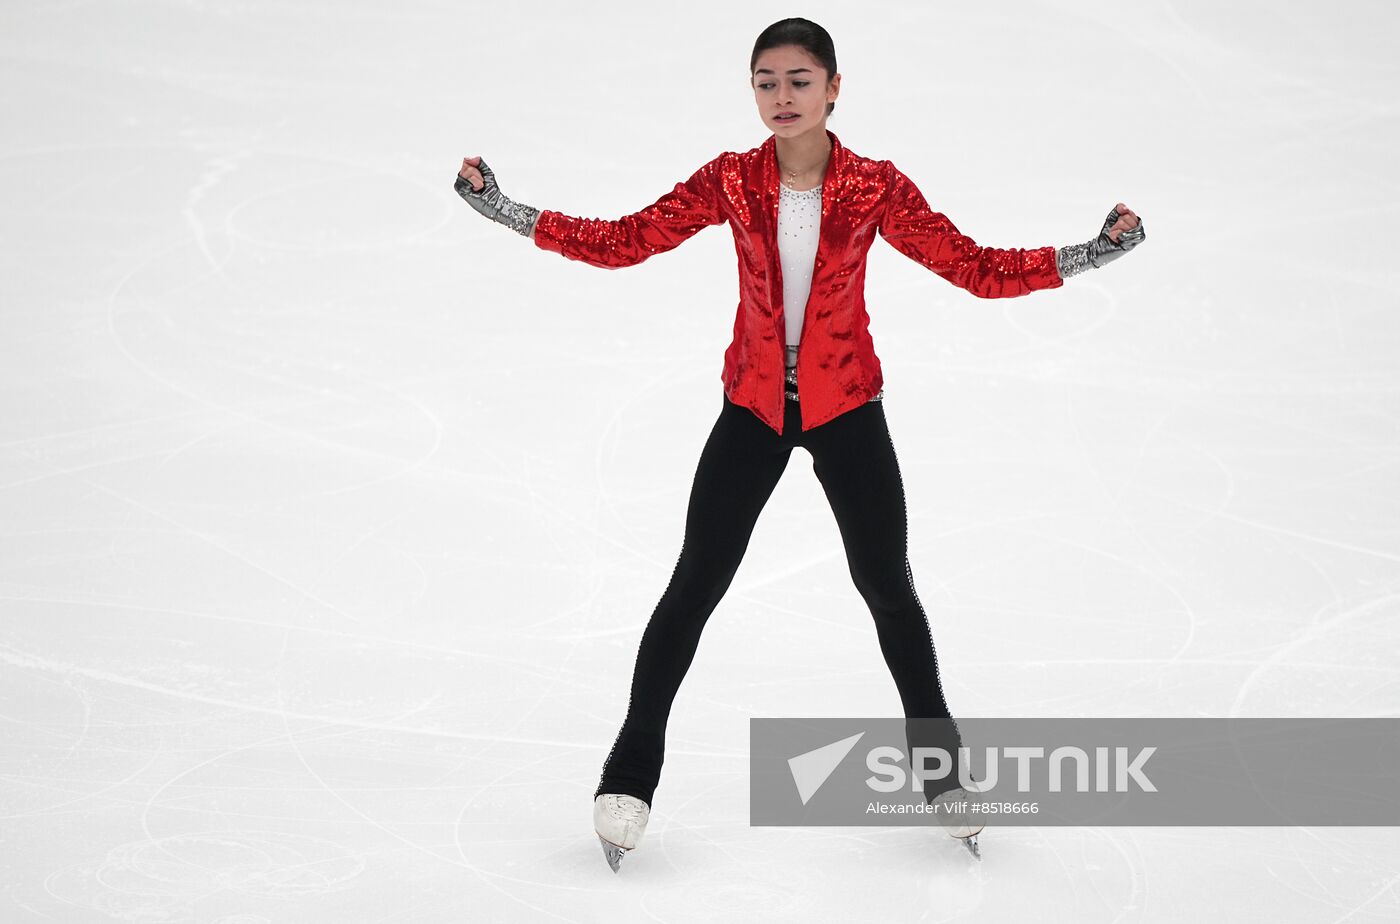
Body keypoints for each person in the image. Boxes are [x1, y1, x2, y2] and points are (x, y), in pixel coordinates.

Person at [453, 18, 1145, 870]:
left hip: (847, 407)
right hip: (752, 408)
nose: (781, 98)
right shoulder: (731, 181)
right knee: (692, 586)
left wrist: (1092, 253)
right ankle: (629, 776)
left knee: (887, 586)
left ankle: (944, 774)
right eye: (766, 82)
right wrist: (504, 209)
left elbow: (976, 268)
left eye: (799, 81)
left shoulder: (875, 187)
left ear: (834, 87)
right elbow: (623, 242)